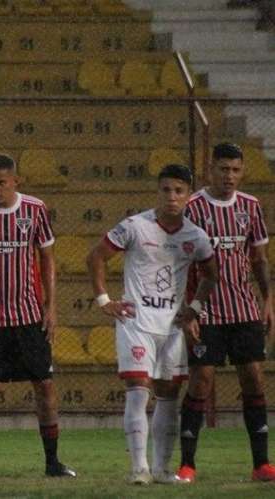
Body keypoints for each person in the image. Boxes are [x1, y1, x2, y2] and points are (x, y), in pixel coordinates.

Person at [87, 163, 218, 485]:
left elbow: (212, 274)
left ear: (189, 196)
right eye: (165, 190)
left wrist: (195, 307)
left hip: (172, 326)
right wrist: (105, 300)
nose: (171, 197)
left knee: (169, 393)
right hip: (136, 321)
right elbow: (96, 257)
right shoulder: (134, 226)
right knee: (138, 390)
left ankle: (161, 469)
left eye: (178, 191)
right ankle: (139, 468)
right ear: (157, 191)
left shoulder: (195, 236)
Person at [0, 154, 76, 479]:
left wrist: (51, 306)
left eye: (2, 183)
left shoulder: (35, 209)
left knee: (45, 385)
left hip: (29, 317)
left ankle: (52, 462)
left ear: (15, 182)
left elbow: (47, 258)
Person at [176, 143, 275, 482]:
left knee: (254, 378)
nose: (229, 176)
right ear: (210, 169)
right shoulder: (193, 207)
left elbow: (259, 259)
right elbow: (179, 262)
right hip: (205, 311)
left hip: (244, 308)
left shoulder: (250, 206)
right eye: (223, 169)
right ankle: (187, 464)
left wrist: (267, 300)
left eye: (235, 170)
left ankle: (261, 464)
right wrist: (187, 311)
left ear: (242, 171)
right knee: (201, 382)